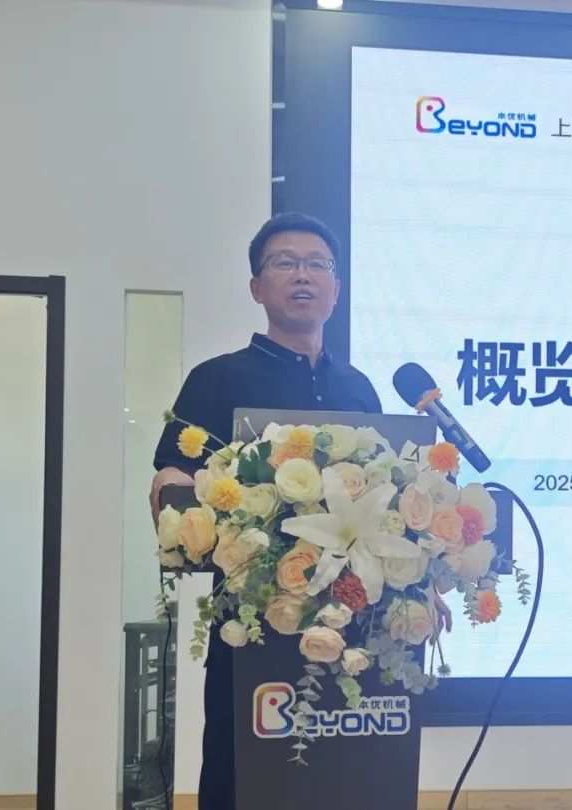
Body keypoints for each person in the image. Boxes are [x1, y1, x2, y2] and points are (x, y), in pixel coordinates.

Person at [150, 212, 449, 810]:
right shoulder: (216, 379)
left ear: (336, 290)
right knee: (243, 774)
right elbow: (171, 481)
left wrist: (424, 579)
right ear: (256, 286)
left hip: (356, 624)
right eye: (285, 263)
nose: (303, 275)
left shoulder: (358, 387)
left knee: (352, 780)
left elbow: (384, 499)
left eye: (317, 265)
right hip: (253, 622)